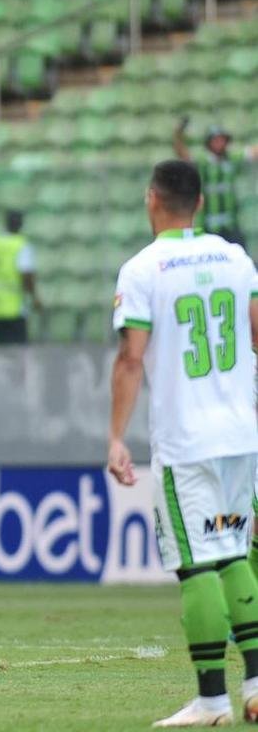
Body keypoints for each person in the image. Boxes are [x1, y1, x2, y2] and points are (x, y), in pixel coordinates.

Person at [107, 159, 258, 727]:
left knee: (196, 566)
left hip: (186, 441)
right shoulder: (235, 257)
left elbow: (130, 358)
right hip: (241, 434)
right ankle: (256, 684)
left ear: (152, 200)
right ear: (199, 203)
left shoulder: (142, 269)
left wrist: (116, 436)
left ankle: (214, 700)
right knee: (234, 555)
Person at [173, 118, 258, 248]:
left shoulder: (232, 159)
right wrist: (178, 134)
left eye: (222, 140)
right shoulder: (202, 162)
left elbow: (253, 152)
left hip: (230, 226)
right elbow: (182, 154)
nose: (220, 143)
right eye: (216, 140)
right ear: (209, 143)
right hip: (208, 227)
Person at [0, 210, 43, 344]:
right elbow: (26, 274)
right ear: (21, 225)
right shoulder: (21, 245)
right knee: (17, 351)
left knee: (0, 347)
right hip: (14, 306)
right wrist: (35, 297)